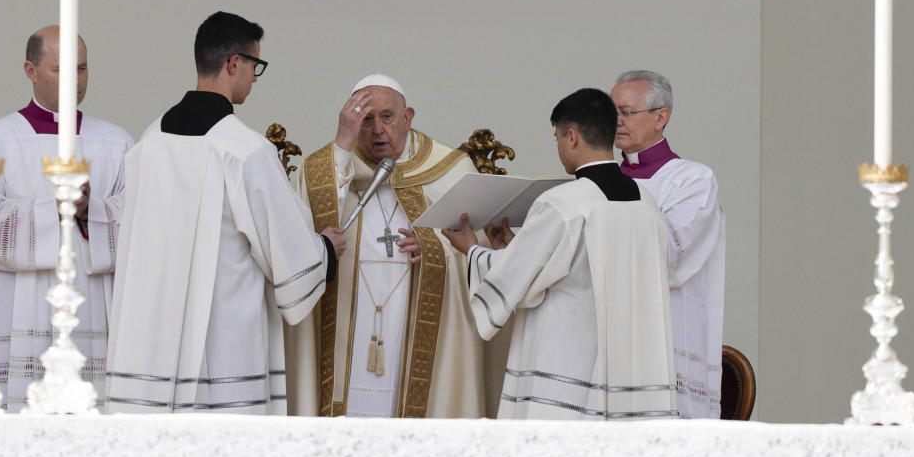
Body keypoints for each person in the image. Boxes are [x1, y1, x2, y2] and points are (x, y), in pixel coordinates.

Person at [104, 11, 345, 414]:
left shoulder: (148, 143)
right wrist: (326, 250)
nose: (254, 77)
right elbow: (288, 252)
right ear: (235, 63)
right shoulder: (245, 151)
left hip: (150, 344)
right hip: (223, 347)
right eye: (256, 66)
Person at [442, 88, 677, 421]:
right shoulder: (646, 201)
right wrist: (513, 247)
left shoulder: (564, 203)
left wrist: (472, 250)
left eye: (556, 137)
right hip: (632, 363)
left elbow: (515, 280)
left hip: (569, 363)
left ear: (571, 136)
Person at [286, 74, 492, 418]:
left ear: (408, 117)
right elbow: (295, 242)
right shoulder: (330, 172)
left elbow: (480, 258)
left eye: (387, 117)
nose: (377, 130)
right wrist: (341, 143)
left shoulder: (452, 172)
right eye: (365, 119)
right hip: (347, 336)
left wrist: (436, 251)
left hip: (411, 338)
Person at [0, 25, 133, 412]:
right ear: (30, 70)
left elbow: (140, 222)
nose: (74, 81)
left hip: (91, 310)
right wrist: (50, 208)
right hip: (16, 309)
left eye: (82, 69)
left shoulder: (115, 141)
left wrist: (92, 210)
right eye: (60, 69)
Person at [610, 69, 725, 419]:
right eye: (610, 112)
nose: (615, 122)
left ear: (661, 117)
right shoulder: (603, 180)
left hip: (667, 335)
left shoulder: (692, 180)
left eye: (626, 112)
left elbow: (668, 254)